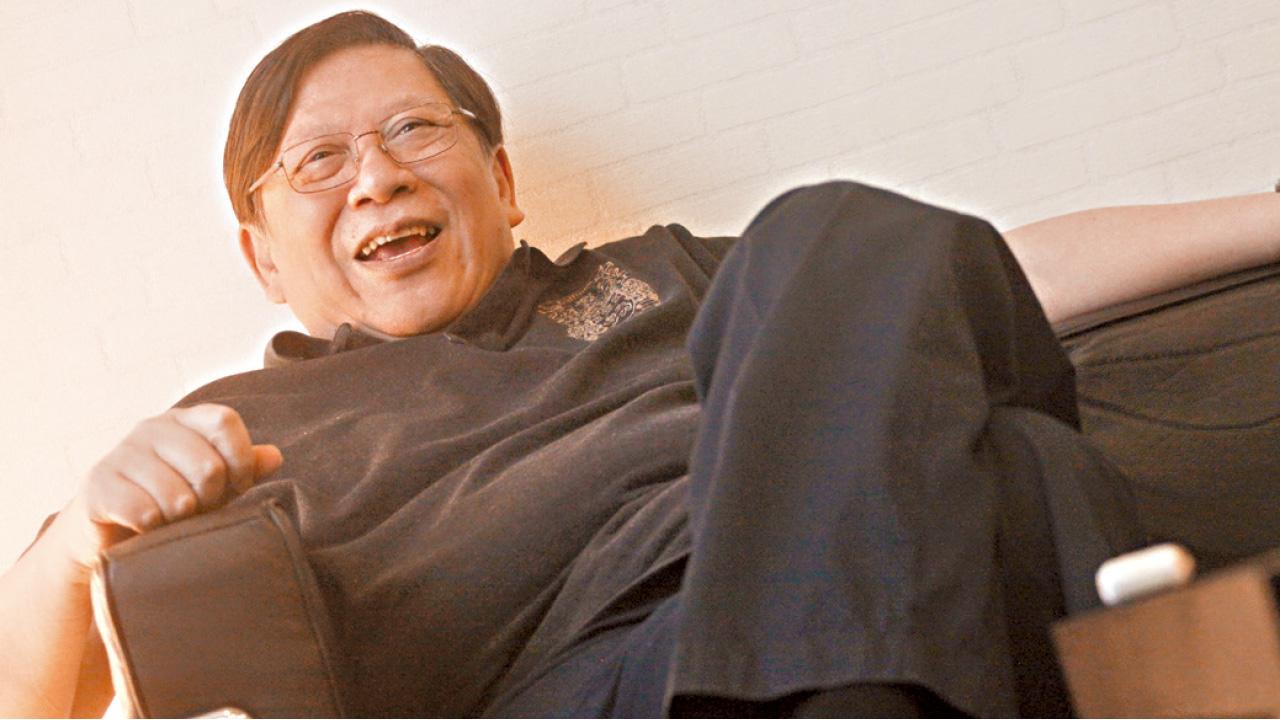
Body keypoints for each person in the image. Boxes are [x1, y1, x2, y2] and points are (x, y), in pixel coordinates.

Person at [3, 10, 1280, 718]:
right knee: (1027, 466)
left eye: (412, 131)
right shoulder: (243, 422)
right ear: (262, 259)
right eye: (318, 162)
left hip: (854, 574)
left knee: (841, 237)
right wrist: (72, 545)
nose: (377, 176)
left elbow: (1005, 275)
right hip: (603, 685)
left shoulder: (657, 271)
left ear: (501, 180)